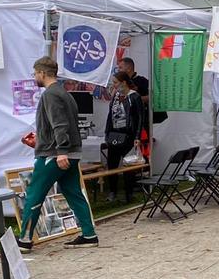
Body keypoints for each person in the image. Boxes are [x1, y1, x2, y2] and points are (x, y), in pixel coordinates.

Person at [17, 56, 98, 251]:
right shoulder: (65, 93)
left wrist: (60, 150)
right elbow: (63, 124)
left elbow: (60, 124)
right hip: (69, 152)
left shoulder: (50, 94)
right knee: (73, 193)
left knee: (35, 194)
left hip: (55, 155)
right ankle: (89, 234)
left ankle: (25, 239)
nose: (34, 76)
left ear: (43, 73)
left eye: (35, 73)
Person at [102, 71, 143, 203]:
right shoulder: (116, 96)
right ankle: (112, 191)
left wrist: (137, 136)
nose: (114, 85)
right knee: (112, 164)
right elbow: (110, 115)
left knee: (128, 164)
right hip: (114, 134)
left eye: (115, 82)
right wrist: (107, 132)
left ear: (124, 82)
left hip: (128, 135)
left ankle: (128, 193)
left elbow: (139, 117)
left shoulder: (134, 97)